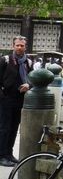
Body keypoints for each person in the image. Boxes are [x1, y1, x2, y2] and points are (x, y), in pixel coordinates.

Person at [0, 36, 33, 167]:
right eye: (17, 45)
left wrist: (28, 85)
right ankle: (1, 155)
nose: (19, 47)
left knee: (14, 128)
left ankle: (9, 153)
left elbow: (32, 78)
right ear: (13, 46)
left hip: (20, 99)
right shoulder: (5, 60)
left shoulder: (28, 63)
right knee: (4, 127)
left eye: (22, 45)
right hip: (5, 99)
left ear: (25, 47)